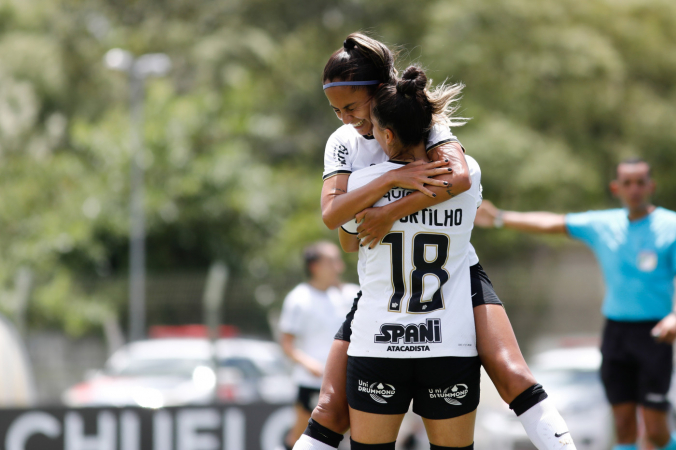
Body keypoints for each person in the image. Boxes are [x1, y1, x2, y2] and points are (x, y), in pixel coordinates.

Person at [295, 32, 575, 450]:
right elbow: (339, 224)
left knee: (511, 372)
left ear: (380, 94)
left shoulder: (427, 126)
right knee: (330, 410)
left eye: (351, 107)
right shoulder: (344, 143)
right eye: (335, 110)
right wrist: (394, 178)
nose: (344, 118)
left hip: (451, 270)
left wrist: (389, 209)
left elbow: (457, 176)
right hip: (391, 281)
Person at [474, 158, 676, 450]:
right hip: (616, 334)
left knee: (655, 431)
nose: (634, 189)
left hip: (655, 334)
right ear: (616, 188)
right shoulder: (603, 224)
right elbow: (553, 222)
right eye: (628, 183)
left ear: (651, 186)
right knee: (623, 426)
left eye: (640, 182)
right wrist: (500, 218)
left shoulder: (670, 226)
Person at [339, 65, 483, 450]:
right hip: (448, 342)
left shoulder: (360, 183)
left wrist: (386, 203)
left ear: (386, 134)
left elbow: (346, 241)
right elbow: (460, 179)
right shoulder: (468, 174)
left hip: (379, 343)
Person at [279, 241, 359, 450]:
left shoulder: (350, 294)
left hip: (349, 378)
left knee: (358, 437)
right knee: (304, 437)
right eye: (332, 261)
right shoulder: (298, 298)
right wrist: (310, 364)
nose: (339, 267)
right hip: (313, 382)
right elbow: (287, 344)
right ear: (315, 266)